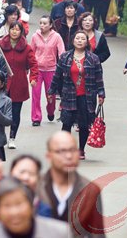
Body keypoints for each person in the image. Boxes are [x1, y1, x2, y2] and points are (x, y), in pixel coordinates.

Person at [48, 31, 105, 159]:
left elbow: (99, 78)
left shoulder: (93, 58)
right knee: (66, 123)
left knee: (84, 125)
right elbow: (56, 76)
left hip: (87, 96)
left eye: (82, 39)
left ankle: (81, 150)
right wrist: (51, 91)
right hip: (69, 95)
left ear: (86, 42)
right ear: (73, 41)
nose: (79, 41)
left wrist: (101, 94)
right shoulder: (65, 57)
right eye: (77, 38)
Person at [37, 131, 105, 237]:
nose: (69, 156)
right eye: (61, 151)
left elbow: (97, 234)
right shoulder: (35, 186)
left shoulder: (90, 190)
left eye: (73, 150)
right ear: (49, 156)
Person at [0, 177, 69, 238]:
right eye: (7, 206)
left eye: (19, 204)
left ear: (32, 206)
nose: (14, 212)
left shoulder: (61, 232)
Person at [0, 22, 38, 148]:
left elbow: (34, 64)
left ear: (21, 32)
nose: (14, 32)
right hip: (2, 83)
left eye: (17, 29)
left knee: (15, 112)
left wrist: (33, 78)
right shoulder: (0, 45)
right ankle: (0, 135)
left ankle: (12, 137)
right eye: (12, 29)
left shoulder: (26, 47)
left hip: (19, 83)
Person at [30, 15, 65, 126]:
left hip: (51, 69)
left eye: (45, 23)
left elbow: (62, 53)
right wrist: (29, 67)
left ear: (50, 25)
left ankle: (50, 111)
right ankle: (36, 118)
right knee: (35, 94)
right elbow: (31, 53)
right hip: (37, 70)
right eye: (41, 23)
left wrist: (62, 67)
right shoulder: (35, 36)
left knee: (51, 95)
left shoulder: (57, 37)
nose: (42, 25)